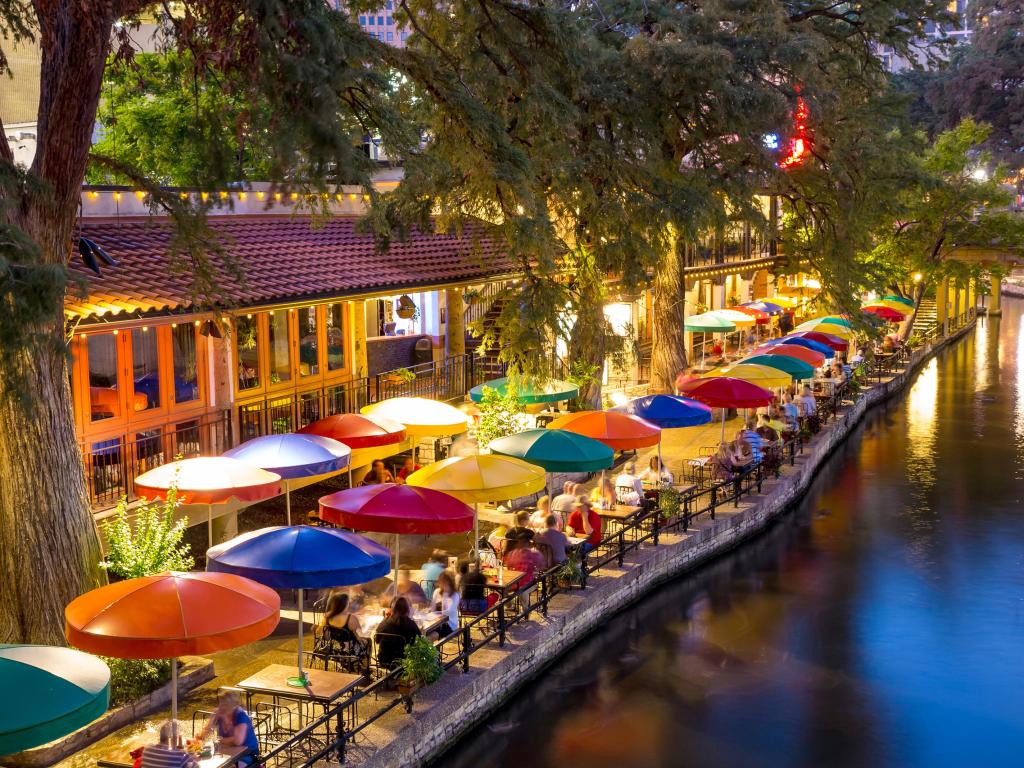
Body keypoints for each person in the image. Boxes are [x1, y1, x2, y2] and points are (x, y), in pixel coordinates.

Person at [199, 690, 259, 766]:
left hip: (247, 754)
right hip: (226, 752)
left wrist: (219, 740)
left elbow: (238, 741)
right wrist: (210, 724)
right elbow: (203, 734)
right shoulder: (220, 713)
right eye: (221, 703)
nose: (221, 707)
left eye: (225, 704)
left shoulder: (240, 716)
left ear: (233, 706)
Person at [374, 597, 421, 669]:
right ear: (407, 610)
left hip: (384, 661)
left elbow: (376, 640)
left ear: (392, 609)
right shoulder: (410, 624)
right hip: (403, 662)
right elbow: (419, 640)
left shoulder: (384, 623)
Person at [429, 571, 460, 637]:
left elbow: (447, 613)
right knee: (422, 633)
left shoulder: (455, 595)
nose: (441, 585)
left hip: (449, 624)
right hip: (435, 622)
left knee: (432, 635)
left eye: (444, 583)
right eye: (440, 582)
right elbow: (432, 609)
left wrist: (445, 596)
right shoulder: (437, 591)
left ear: (450, 583)